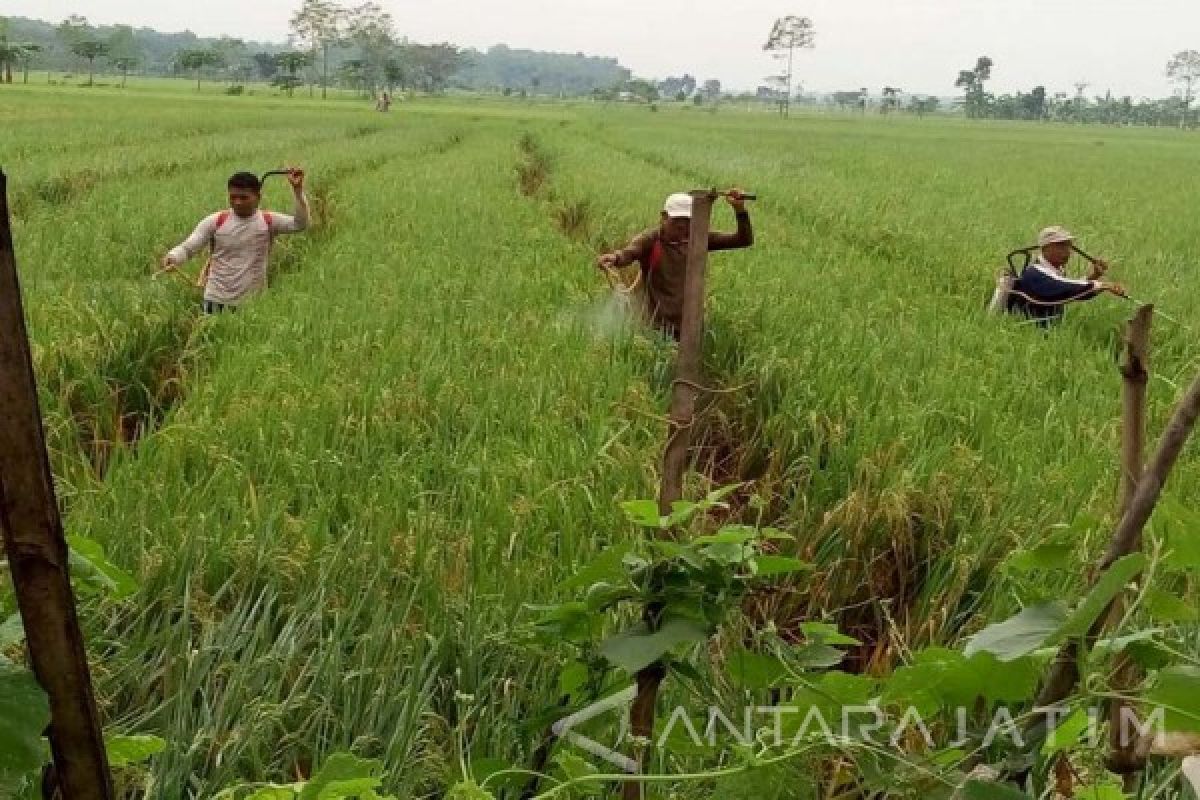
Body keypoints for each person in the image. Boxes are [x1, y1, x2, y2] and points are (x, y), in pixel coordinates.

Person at [596, 190, 754, 339]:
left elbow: (743, 240)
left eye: (688, 221)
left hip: (689, 327)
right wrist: (615, 258)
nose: (683, 227)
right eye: (677, 221)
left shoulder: (698, 239)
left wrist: (739, 210)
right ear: (664, 217)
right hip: (654, 326)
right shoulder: (651, 240)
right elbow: (630, 253)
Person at [160, 169, 309, 314]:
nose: (237, 202)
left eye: (244, 197)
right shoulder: (216, 220)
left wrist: (298, 191)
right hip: (215, 300)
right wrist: (173, 257)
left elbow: (300, 224)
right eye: (233, 197)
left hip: (253, 302)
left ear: (258, 197)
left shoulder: (268, 221)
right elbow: (189, 248)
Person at [1006, 226, 1126, 326]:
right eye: (1061, 246)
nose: (1068, 251)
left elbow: (1071, 290)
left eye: (1069, 246)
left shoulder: (1055, 271)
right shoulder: (1035, 273)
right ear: (1046, 248)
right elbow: (1065, 287)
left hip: (1049, 330)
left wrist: (1095, 275)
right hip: (1030, 331)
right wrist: (1103, 285)